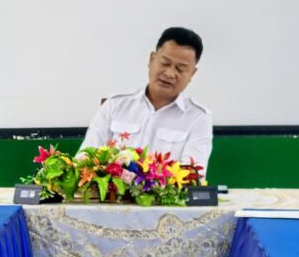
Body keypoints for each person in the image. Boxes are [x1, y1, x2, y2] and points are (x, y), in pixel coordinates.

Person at [79, 26, 213, 173]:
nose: (169, 73)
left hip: (163, 188)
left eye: (180, 69)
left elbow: (192, 177)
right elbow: (84, 159)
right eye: (165, 63)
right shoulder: (115, 105)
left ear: (192, 73)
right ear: (151, 59)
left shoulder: (198, 118)